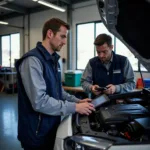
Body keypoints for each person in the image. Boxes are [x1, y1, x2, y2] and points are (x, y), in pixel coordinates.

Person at [15, 18, 95, 150]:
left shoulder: (53, 61)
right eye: (62, 36)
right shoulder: (32, 61)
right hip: (35, 134)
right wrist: (74, 107)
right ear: (50, 34)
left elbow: (59, 92)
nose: (64, 42)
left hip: (51, 128)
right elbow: (39, 102)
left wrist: (77, 102)